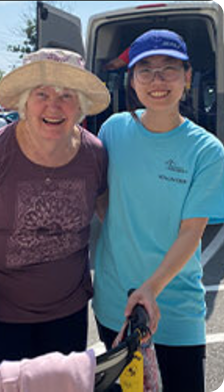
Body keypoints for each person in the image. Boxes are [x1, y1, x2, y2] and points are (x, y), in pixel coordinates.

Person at [0, 47, 110, 366]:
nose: (53, 105)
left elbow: (110, 218)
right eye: (41, 94)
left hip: (68, 307)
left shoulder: (95, 155)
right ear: (23, 103)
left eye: (66, 95)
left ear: (81, 107)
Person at [93, 29, 224, 392]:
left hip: (176, 309)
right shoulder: (113, 130)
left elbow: (191, 232)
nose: (157, 80)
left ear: (186, 77)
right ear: (132, 80)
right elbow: (102, 197)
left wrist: (151, 288)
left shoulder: (206, 150)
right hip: (114, 305)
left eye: (169, 69)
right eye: (145, 70)